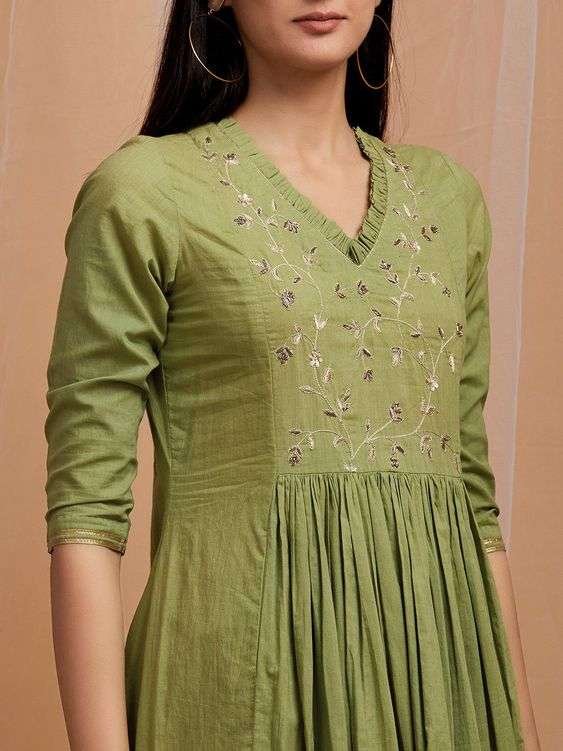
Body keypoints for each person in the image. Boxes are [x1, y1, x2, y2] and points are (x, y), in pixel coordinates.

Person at [44, 1, 540, 748]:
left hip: (443, 687)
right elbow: (86, 511)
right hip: (240, 687)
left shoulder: (449, 200)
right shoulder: (146, 191)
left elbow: (472, 499)